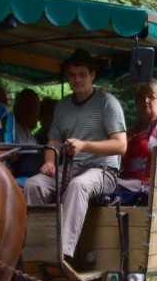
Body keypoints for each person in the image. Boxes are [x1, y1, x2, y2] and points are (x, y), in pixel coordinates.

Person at [24, 48, 127, 264]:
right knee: (34, 184)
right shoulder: (62, 107)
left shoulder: (107, 103)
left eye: (82, 74)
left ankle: (62, 253)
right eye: (72, 75)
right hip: (70, 169)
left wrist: (85, 145)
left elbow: (120, 145)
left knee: (78, 186)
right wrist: (50, 162)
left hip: (103, 171)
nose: (76, 80)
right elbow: (53, 141)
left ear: (92, 75)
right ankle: (38, 245)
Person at [115, 80, 157, 204]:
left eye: (151, 97)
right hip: (125, 181)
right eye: (141, 97)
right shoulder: (132, 130)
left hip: (148, 185)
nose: (145, 101)